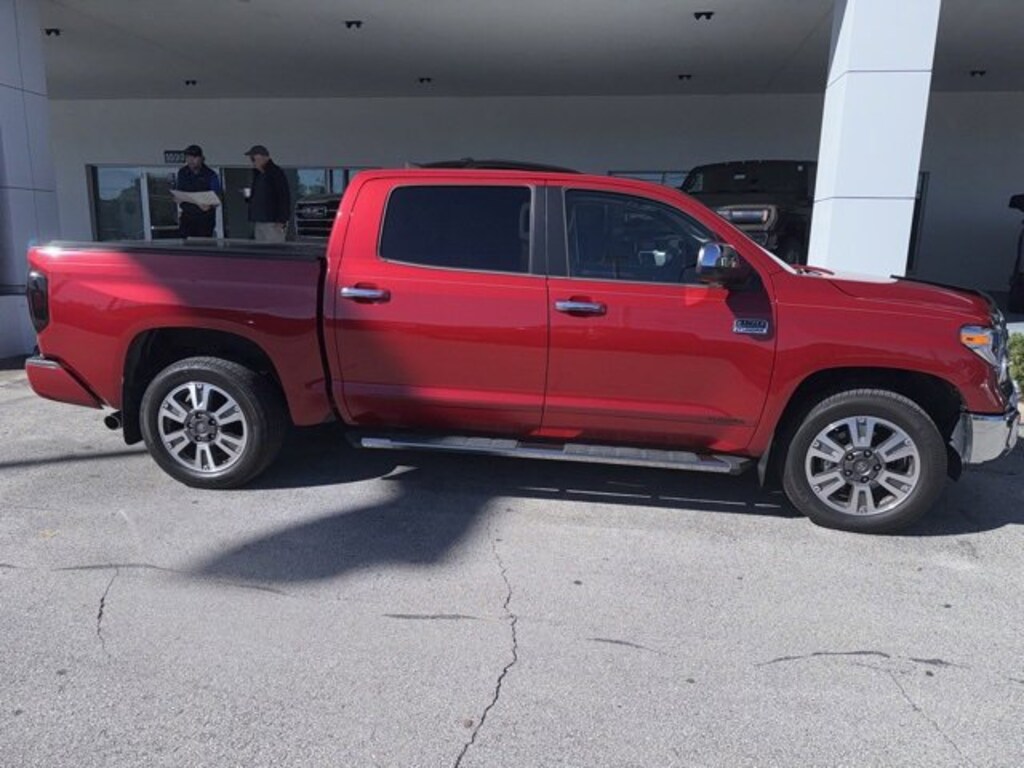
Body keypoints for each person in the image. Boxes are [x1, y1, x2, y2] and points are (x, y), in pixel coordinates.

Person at [244, 144, 291, 242]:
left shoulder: (276, 173)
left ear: (263, 157)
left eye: (254, 158)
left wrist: (281, 220)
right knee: (261, 252)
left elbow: (284, 197)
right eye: (251, 159)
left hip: (273, 222)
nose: (252, 161)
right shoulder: (258, 174)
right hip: (259, 220)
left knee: (274, 250)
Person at [175, 144, 221, 238]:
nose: (191, 161)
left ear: (201, 158)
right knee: (186, 246)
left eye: (194, 157)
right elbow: (179, 192)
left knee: (203, 246)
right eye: (188, 158)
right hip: (187, 217)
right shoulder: (182, 173)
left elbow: (217, 197)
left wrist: (210, 205)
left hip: (204, 218)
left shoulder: (210, 175)